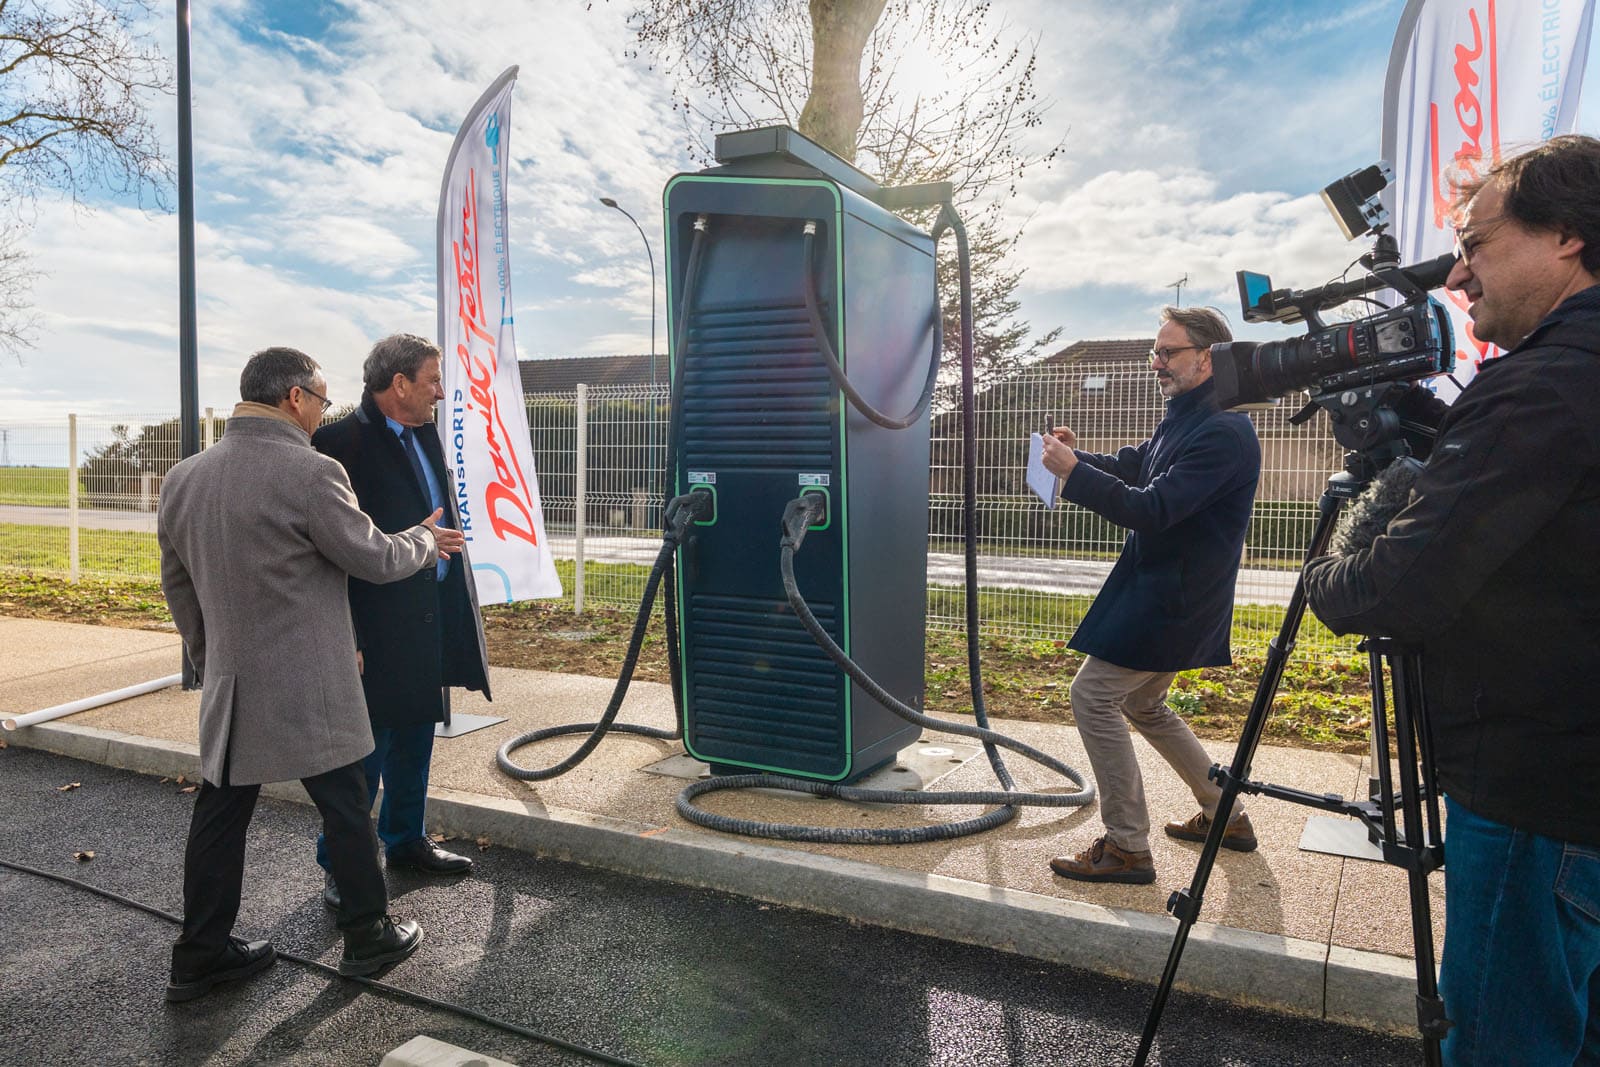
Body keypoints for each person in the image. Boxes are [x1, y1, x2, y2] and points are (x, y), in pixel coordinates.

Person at [1303, 134, 1600, 1066]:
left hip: (1533, 799)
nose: (1460, 276)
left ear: (1564, 235)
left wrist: (1326, 567)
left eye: (1475, 244)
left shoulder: (1543, 385)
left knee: (1510, 1043)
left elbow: (1391, 589)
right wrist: (1444, 438)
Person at [158, 346, 463, 1002]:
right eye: (322, 399)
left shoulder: (183, 478)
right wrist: (423, 540)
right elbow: (371, 556)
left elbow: (177, 585)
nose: (325, 411)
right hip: (311, 681)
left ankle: (201, 954)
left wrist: (215, 662)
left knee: (220, 817)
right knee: (349, 806)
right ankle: (367, 934)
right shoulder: (311, 470)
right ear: (294, 398)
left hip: (234, 685)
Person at [1040, 306, 1262, 885]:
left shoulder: (1223, 430)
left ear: (1207, 357)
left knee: (1091, 696)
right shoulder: (1186, 417)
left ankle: (1127, 847)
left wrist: (1075, 474)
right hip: (1172, 597)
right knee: (1144, 705)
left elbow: (1153, 508)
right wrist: (1076, 457)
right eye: (1155, 353)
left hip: (1170, 603)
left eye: (1168, 352)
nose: (1157, 362)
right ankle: (1226, 815)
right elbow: (1136, 467)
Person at [311, 333, 489, 910]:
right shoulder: (337, 443)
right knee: (368, 750)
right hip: (374, 625)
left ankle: (405, 841)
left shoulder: (426, 432)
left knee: (417, 733)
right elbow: (330, 550)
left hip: (429, 614)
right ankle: (344, 861)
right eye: (432, 380)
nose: (440, 392)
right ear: (399, 384)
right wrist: (351, 636)